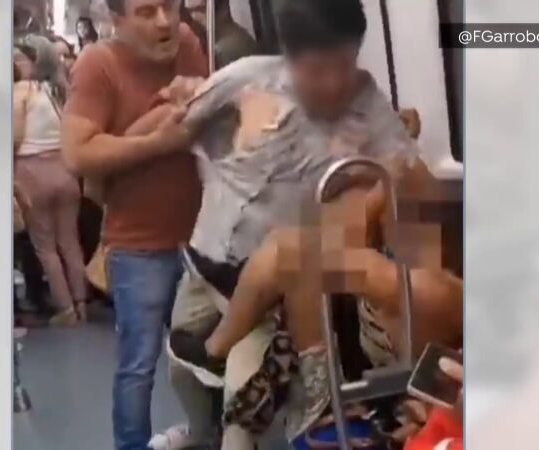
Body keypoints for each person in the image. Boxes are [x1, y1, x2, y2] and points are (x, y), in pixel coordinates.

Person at [159, 0, 422, 447]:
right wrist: (178, 103)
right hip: (206, 267)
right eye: (318, 70)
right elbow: (178, 125)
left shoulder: (366, 103)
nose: (334, 82)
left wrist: (375, 190)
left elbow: (404, 169)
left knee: (241, 412)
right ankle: (199, 431)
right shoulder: (243, 79)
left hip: (271, 285)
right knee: (183, 373)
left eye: (345, 65)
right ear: (289, 56)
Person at [170, 175, 463, 447]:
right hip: (375, 354)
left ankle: (216, 351)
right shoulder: (407, 266)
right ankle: (228, 334)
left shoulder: (426, 290)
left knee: (292, 252)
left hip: (391, 385)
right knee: (298, 249)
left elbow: (306, 254)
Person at [61, 0, 207, 448]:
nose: (164, 21)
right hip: (138, 245)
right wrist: (157, 139)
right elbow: (78, 154)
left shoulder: (187, 43)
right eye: (146, 11)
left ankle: (211, 434)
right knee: (138, 366)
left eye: (169, 6)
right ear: (117, 20)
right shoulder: (97, 65)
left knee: (206, 357)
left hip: (203, 238)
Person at [14, 42, 88, 326]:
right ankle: (81, 302)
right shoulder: (57, 91)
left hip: (32, 172)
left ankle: (65, 308)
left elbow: (14, 137)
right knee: (70, 242)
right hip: (64, 169)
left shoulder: (22, 92)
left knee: (45, 246)